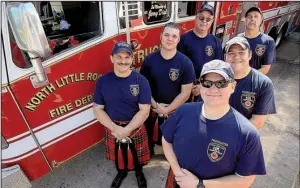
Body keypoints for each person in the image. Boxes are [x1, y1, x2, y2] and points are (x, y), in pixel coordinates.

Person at [161, 60, 266, 188]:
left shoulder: (247, 133)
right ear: (200, 86)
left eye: (221, 83)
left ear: (233, 86)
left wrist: (198, 184)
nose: (213, 89)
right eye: (207, 83)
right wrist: (177, 172)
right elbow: (166, 140)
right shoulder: (183, 111)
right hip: (177, 181)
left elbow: (245, 180)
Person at [93, 41, 151, 188]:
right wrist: (115, 128)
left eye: (127, 57)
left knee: (137, 156)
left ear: (132, 59)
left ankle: (139, 172)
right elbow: (98, 109)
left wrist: (127, 129)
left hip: (135, 127)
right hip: (113, 128)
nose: (123, 61)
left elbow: (144, 110)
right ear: (111, 58)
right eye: (119, 57)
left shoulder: (141, 81)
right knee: (119, 157)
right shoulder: (102, 81)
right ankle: (121, 172)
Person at [140, 22, 195, 156]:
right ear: (161, 37)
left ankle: (169, 155)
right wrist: (156, 106)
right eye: (167, 35)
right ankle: (152, 151)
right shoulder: (149, 60)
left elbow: (185, 94)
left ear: (178, 39)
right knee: (151, 137)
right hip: (153, 108)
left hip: (175, 110)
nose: (170, 39)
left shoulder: (186, 63)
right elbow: (143, 88)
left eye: (174, 36)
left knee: (172, 139)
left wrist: (166, 109)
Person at [224, 36, 276, 129]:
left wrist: (229, 134)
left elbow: (257, 122)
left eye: (241, 52)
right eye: (231, 53)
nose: (236, 57)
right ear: (225, 57)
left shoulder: (263, 84)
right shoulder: (217, 78)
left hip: (241, 138)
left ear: (250, 55)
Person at [177, 4, 223, 100]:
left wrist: (202, 86)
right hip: (186, 87)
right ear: (196, 18)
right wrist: (191, 86)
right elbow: (179, 66)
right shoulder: (184, 39)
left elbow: (218, 69)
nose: (204, 21)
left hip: (207, 87)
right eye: (201, 18)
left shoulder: (216, 42)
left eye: (208, 19)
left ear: (212, 21)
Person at [238, 7, 276, 74]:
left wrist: (248, 78)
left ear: (261, 21)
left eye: (256, 16)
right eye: (249, 17)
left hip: (255, 81)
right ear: (245, 20)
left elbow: (265, 68)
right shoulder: (237, 39)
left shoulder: (268, 41)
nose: (252, 19)